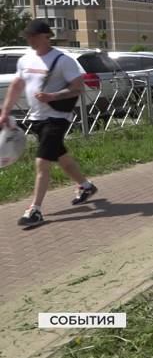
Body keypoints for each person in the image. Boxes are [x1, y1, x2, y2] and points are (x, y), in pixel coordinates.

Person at [0, 20, 98, 227]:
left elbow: (78, 88)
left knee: (42, 161)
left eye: (34, 36)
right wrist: (6, 111)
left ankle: (35, 210)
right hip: (36, 118)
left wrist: (53, 96)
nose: (30, 40)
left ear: (47, 36)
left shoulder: (63, 61)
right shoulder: (25, 60)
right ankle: (85, 185)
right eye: (28, 36)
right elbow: (17, 85)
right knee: (61, 157)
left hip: (57, 118)